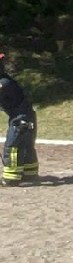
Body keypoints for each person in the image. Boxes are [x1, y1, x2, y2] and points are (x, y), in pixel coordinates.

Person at [0, 50, 39, 186]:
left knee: (12, 147)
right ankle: (30, 173)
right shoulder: (5, 80)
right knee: (26, 146)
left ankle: (10, 178)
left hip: (20, 119)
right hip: (27, 116)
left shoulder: (3, 83)